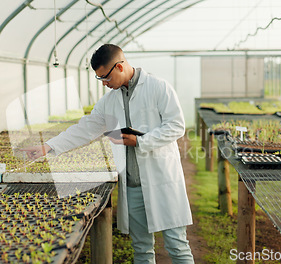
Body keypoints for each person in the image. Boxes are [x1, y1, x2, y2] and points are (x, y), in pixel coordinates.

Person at [22, 44, 194, 263]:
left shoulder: (159, 87)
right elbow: (85, 128)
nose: (104, 83)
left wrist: (140, 141)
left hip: (162, 181)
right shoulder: (109, 101)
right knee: (141, 248)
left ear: (120, 66)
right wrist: (49, 146)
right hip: (132, 186)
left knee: (177, 247)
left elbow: (176, 126)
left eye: (105, 77)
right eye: (99, 79)